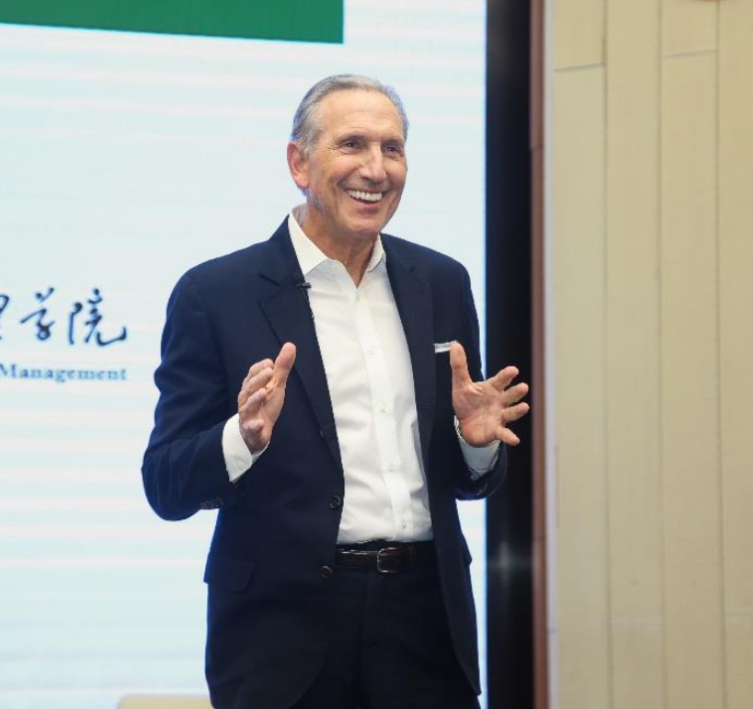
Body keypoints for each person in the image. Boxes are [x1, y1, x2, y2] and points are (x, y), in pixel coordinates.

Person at [141, 74, 529, 709]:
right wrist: (241, 439)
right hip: (282, 634)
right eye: (352, 144)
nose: (376, 169)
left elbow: (468, 482)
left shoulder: (441, 282)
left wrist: (474, 444)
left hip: (425, 624)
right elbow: (165, 483)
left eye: (392, 148)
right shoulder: (216, 294)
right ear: (299, 163)